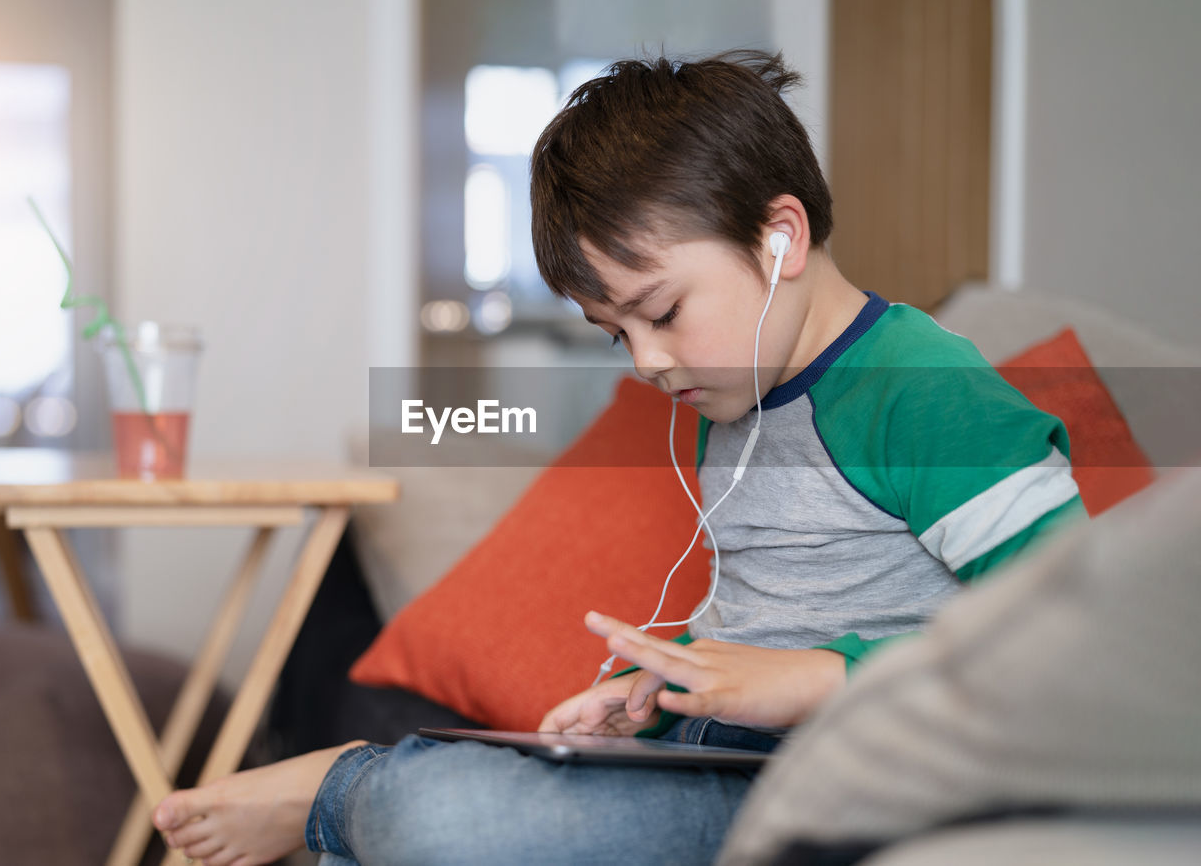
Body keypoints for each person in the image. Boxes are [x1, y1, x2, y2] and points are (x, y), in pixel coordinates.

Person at [152, 50, 1085, 866]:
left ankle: (340, 788)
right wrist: (661, 683)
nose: (646, 361)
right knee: (426, 826)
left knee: (448, 818)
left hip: (848, 784)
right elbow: (769, 614)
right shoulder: (733, 398)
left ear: (781, 238)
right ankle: (365, 801)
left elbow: (1075, 635)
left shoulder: (925, 391)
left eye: (664, 311)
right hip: (723, 758)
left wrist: (815, 679)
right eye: (616, 334)